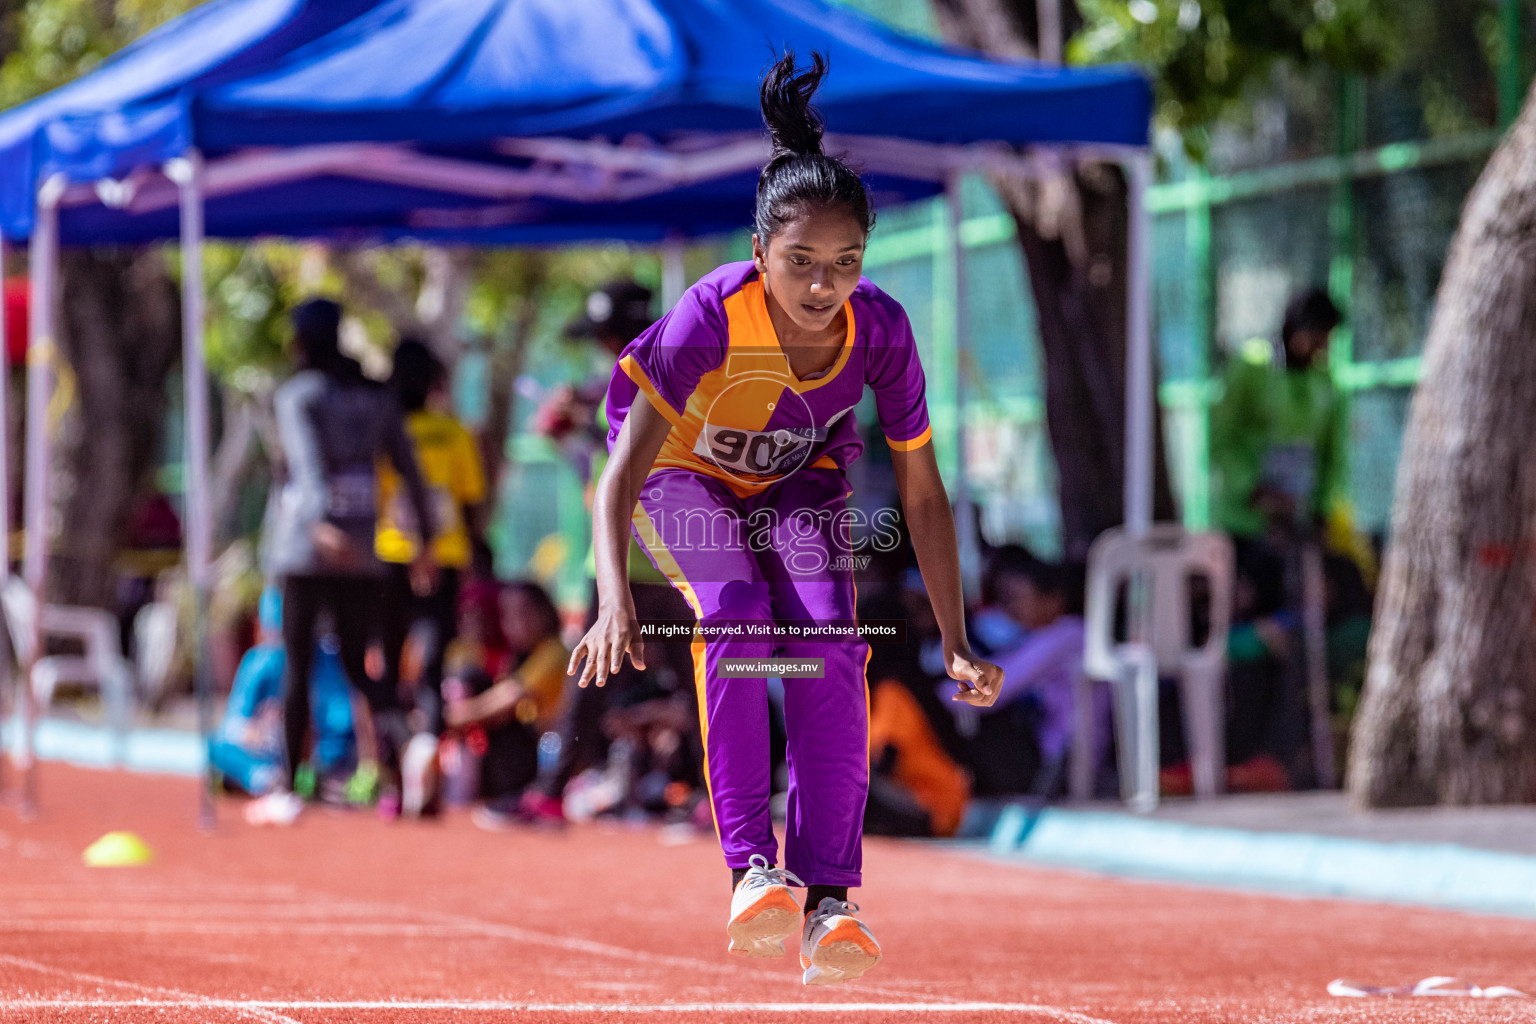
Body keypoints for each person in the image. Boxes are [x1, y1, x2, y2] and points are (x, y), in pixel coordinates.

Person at [567, 51, 1003, 986]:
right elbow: (619, 475)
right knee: (737, 617)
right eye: (800, 263)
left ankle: (831, 900)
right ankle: (750, 871)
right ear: (761, 254)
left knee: (830, 646)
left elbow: (923, 494)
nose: (821, 286)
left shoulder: (881, 332)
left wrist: (958, 638)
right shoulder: (710, 316)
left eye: (844, 265)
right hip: (678, 476)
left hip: (799, 483)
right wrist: (614, 601)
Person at [250, 297, 437, 826]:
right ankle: (405, 757)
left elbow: (307, 468)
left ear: (301, 341)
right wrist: (424, 539)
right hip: (362, 551)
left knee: (298, 663)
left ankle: (289, 786)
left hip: (309, 548)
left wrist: (318, 523)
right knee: (361, 666)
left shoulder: (299, 394)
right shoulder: (377, 397)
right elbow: (410, 470)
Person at [376, 338, 488, 818]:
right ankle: (426, 755)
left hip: (390, 555)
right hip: (443, 556)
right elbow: (470, 499)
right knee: (434, 666)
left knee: (384, 664)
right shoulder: (453, 432)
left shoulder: (382, 432)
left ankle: (396, 773)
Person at [443, 582, 570, 827]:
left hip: (551, 755)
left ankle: (531, 795)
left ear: (544, 613)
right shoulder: (520, 656)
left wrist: (453, 716)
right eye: (507, 615)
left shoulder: (554, 651)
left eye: (524, 613)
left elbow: (509, 699)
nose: (514, 623)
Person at [209, 589, 356, 799]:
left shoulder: (327, 660)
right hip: (271, 749)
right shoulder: (259, 662)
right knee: (218, 746)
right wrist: (253, 733)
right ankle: (267, 779)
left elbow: (341, 725)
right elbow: (234, 724)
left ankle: (299, 780)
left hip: (318, 754)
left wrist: (318, 760)